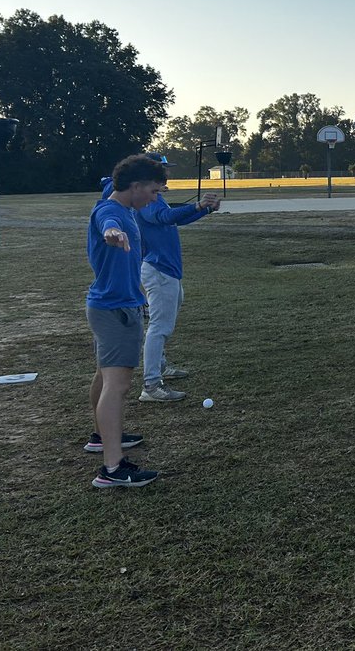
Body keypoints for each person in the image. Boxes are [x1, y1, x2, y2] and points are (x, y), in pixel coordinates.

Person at [84, 154, 168, 488]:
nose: (155, 197)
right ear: (135, 187)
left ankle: (101, 437)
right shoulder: (111, 211)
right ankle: (113, 469)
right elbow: (107, 225)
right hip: (114, 310)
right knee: (118, 386)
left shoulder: (126, 210)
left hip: (114, 305)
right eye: (152, 190)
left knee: (105, 378)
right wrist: (113, 233)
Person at [133, 154, 219, 401]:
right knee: (159, 327)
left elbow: (173, 221)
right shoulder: (149, 203)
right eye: (162, 170)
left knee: (161, 324)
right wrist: (197, 205)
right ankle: (150, 386)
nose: (166, 174)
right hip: (158, 270)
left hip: (167, 270)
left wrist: (204, 210)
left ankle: (160, 367)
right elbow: (164, 218)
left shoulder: (156, 199)